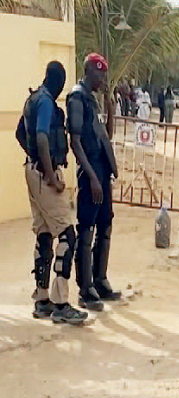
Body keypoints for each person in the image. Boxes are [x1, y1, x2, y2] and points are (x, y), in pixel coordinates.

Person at [16, 61, 88, 324]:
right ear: (58, 82)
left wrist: (33, 159)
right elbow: (44, 137)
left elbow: (19, 133)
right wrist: (48, 173)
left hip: (31, 171)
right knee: (67, 234)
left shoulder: (31, 99)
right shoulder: (46, 102)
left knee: (45, 233)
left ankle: (42, 299)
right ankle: (61, 304)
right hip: (44, 174)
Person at [68, 53, 122, 312]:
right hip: (90, 174)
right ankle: (85, 288)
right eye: (98, 74)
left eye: (104, 75)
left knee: (105, 227)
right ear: (88, 71)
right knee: (87, 231)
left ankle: (100, 281)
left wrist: (110, 107)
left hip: (102, 173)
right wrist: (91, 177)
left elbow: (106, 137)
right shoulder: (77, 98)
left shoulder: (92, 101)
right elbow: (75, 142)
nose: (102, 79)